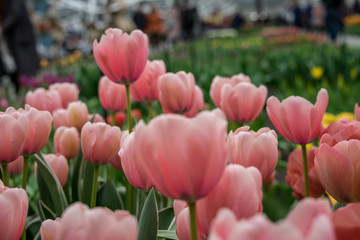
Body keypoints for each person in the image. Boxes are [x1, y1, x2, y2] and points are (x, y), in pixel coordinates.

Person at [1, 0, 39, 91]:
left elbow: (14, 14)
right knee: (18, 73)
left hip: (22, 41)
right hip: (15, 42)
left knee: (26, 72)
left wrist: (2, 28)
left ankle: (29, 93)